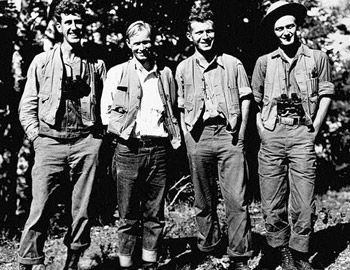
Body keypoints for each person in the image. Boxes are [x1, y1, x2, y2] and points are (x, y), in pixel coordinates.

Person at [17, 1, 106, 269]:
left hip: (85, 142)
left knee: (82, 209)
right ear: (59, 26)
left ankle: (73, 261)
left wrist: (97, 140)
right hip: (50, 143)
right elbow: (27, 106)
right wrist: (37, 138)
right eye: (68, 22)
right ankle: (28, 262)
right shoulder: (42, 62)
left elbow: (105, 105)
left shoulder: (95, 64)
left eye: (78, 22)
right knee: (40, 206)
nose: (74, 27)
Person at [251, 1, 334, 269]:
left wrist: (315, 130)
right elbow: (254, 101)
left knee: (303, 199)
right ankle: (280, 249)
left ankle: (300, 253)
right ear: (273, 33)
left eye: (290, 26)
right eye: (279, 29)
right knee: (271, 199)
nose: (285, 32)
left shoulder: (317, 58)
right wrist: (262, 130)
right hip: (273, 134)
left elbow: (325, 95)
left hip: (302, 134)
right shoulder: (264, 62)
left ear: (297, 27)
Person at [175, 5, 253, 270]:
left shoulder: (233, 63)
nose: (206, 36)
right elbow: (180, 106)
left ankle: (239, 255)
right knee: (203, 199)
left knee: (236, 199)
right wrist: (187, 136)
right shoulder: (183, 68)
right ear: (190, 36)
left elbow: (245, 99)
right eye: (200, 32)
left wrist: (240, 133)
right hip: (198, 137)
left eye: (210, 31)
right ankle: (208, 249)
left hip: (229, 135)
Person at [100, 21, 181, 270]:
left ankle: (149, 263)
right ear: (129, 44)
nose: (143, 47)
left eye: (146, 41)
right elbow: (105, 113)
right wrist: (123, 132)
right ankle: (125, 264)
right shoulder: (117, 72)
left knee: (154, 213)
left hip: (158, 149)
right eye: (137, 43)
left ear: (152, 41)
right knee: (127, 215)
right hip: (127, 150)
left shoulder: (165, 73)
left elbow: (172, 107)